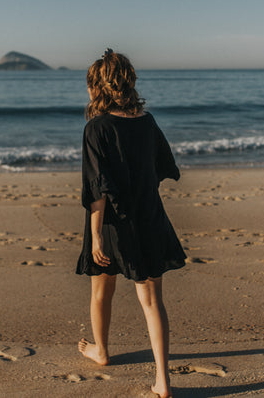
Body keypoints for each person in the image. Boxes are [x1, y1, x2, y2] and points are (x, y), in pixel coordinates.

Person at [76, 49, 186, 398]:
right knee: (153, 302)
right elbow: (162, 168)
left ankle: (101, 350)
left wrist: (95, 236)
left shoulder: (96, 128)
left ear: (98, 87)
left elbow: (98, 191)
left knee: (100, 290)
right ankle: (163, 383)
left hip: (111, 223)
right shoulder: (147, 121)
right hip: (150, 217)